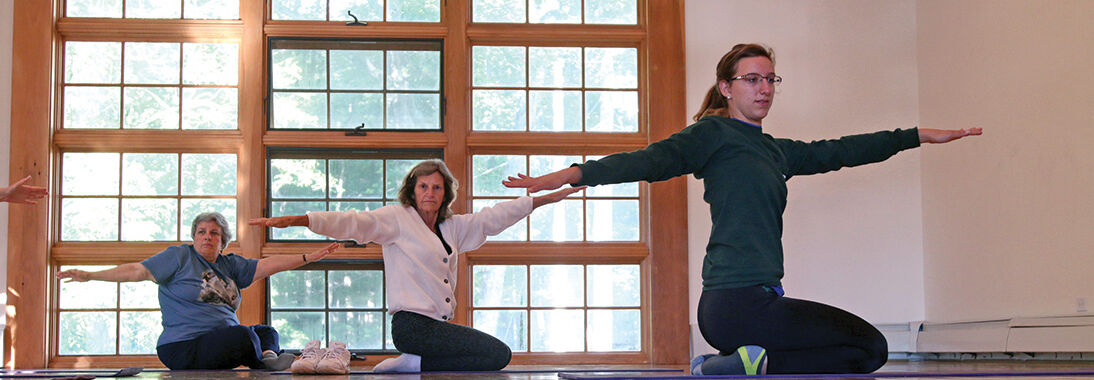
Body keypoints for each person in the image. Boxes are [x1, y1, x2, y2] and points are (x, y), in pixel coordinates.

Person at [502, 43, 982, 375]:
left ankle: (742, 364)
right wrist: (572, 174)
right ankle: (734, 364)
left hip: (761, 301)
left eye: (770, 78)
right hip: (732, 305)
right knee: (870, 347)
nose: (764, 88)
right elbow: (649, 161)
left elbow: (840, 149)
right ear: (726, 88)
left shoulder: (776, 151)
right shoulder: (711, 137)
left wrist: (916, 136)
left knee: (862, 351)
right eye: (752, 79)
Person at [249, 159, 583, 373]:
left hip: (434, 329)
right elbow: (351, 221)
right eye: (423, 186)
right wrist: (297, 220)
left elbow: (492, 218)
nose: (430, 192)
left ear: (445, 193)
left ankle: (414, 363)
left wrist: (541, 200)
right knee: (499, 353)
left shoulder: (452, 227)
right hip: (411, 326)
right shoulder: (396, 220)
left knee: (495, 358)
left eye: (437, 187)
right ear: (413, 190)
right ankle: (411, 360)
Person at [57, 212, 339, 370]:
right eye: (201, 231)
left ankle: (267, 357)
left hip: (220, 340)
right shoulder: (179, 257)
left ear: (222, 241)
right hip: (182, 347)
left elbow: (268, 265)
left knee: (266, 332)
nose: (207, 236)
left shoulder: (230, 265)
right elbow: (136, 271)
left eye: (214, 233)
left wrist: (306, 258)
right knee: (242, 335)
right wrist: (89, 275)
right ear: (194, 237)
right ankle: (266, 363)